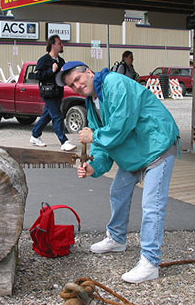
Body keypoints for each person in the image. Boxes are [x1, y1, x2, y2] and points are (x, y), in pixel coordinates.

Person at [55, 61, 179, 284]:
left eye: (78, 79)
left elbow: (121, 125)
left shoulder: (115, 83)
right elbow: (104, 146)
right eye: (72, 85)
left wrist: (94, 137)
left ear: (89, 73)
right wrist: (94, 167)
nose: (77, 86)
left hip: (156, 146)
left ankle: (150, 263)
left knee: (153, 205)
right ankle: (117, 239)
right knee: (118, 192)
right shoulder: (92, 103)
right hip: (134, 152)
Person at [30, 35, 76, 152]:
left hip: (58, 92)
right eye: (59, 43)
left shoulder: (61, 61)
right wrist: (51, 70)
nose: (62, 45)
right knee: (57, 116)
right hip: (48, 93)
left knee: (47, 115)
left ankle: (35, 135)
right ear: (53, 45)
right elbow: (37, 76)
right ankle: (64, 141)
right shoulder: (44, 60)